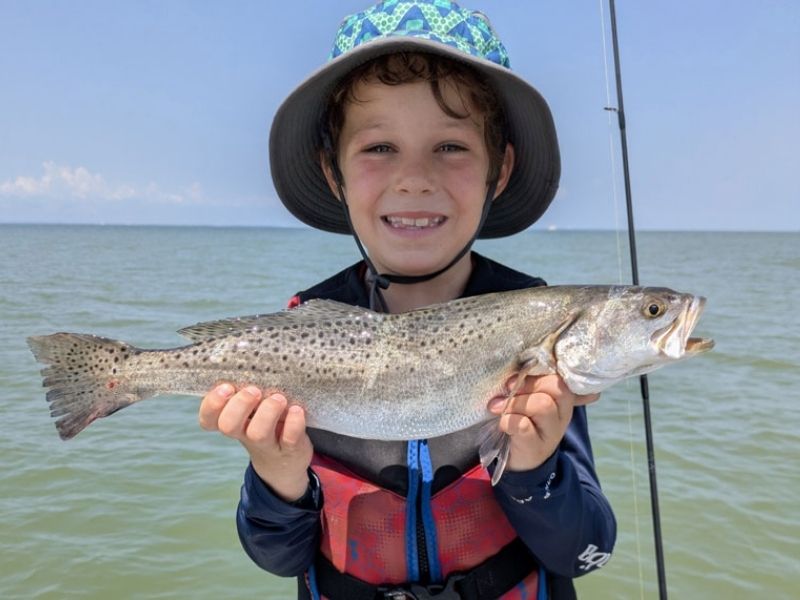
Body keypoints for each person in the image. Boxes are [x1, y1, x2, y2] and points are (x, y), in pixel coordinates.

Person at [199, 2, 616, 598]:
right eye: (379, 148)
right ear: (332, 171)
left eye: (451, 147)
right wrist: (278, 475)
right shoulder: (302, 333)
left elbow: (586, 553)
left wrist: (533, 466)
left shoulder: (538, 320)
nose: (415, 178)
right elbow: (277, 557)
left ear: (500, 171)